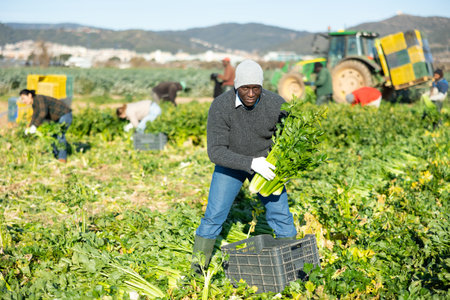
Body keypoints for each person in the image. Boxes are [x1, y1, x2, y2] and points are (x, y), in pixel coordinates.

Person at [191, 59, 297, 273]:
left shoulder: (277, 104)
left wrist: (279, 164)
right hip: (231, 163)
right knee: (214, 216)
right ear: (236, 86)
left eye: (255, 88)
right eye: (245, 88)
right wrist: (250, 163)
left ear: (262, 86)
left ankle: (292, 268)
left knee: (281, 214)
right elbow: (216, 151)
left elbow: (291, 137)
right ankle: (197, 270)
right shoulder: (221, 106)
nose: (250, 93)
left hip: (266, 165)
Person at [19, 89, 72, 163]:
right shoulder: (34, 104)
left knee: (60, 135)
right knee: (52, 136)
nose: (23, 101)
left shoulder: (39, 98)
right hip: (57, 118)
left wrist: (35, 126)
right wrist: (30, 127)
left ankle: (62, 158)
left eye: (23, 98)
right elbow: (35, 116)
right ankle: (55, 156)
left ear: (30, 95)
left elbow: (43, 113)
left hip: (64, 114)